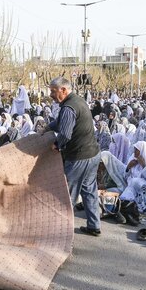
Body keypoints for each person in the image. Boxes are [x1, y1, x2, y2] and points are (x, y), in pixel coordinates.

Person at [41, 77, 101, 236]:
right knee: (89, 190)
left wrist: (56, 145)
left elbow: (65, 134)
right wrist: (47, 127)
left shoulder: (68, 107)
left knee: (68, 195)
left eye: (53, 91)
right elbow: (61, 122)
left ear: (63, 90)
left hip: (79, 158)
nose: (51, 94)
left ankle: (62, 232)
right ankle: (94, 226)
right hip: (92, 154)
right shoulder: (77, 101)